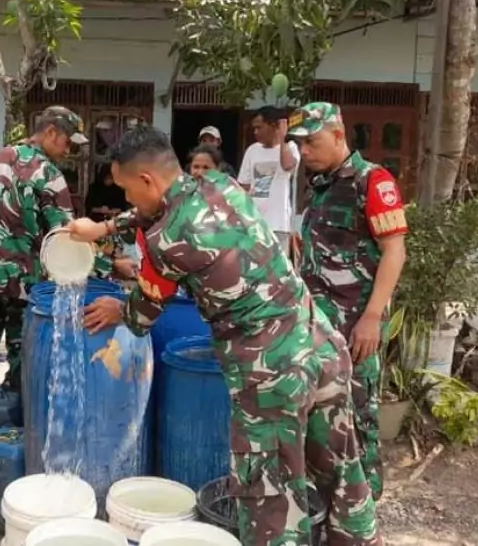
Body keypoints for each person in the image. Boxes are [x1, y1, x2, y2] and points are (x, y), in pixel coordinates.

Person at [69, 126, 381, 546]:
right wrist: (106, 229)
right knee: (342, 473)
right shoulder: (219, 183)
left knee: (271, 501)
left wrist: (118, 309)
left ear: (147, 180)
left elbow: (143, 314)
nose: (127, 201)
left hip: (271, 375)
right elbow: (159, 208)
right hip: (321, 345)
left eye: (127, 191)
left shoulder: (166, 243)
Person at [290, 102, 409, 501]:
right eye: (300, 144)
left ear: (339, 135)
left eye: (311, 141)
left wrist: (373, 317)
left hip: (355, 328)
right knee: (322, 416)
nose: (304, 151)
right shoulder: (320, 186)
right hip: (317, 328)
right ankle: (331, 501)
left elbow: (395, 251)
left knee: (358, 417)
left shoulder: (371, 181)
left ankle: (365, 506)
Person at [0, 106, 116, 391]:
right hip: (25, 290)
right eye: (67, 142)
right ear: (51, 132)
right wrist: (111, 266)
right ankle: (19, 429)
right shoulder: (48, 174)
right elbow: (67, 238)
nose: (69, 151)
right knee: (26, 372)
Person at [238, 106, 300, 255]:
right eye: (254, 128)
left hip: (279, 226)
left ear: (274, 126)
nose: (255, 132)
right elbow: (243, 187)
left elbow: (287, 166)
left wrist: (282, 138)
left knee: (277, 273)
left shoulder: (290, 148)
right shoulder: (252, 150)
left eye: (259, 127)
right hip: (254, 225)